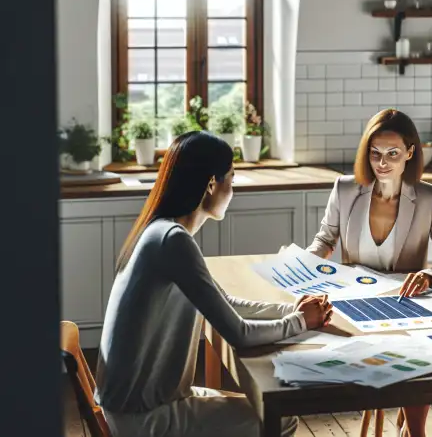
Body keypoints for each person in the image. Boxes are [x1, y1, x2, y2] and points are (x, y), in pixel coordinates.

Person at [95, 131, 332, 437]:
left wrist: (293, 309)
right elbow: (239, 334)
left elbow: (227, 304)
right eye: (231, 178)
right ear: (211, 184)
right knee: (282, 419)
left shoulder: (161, 231)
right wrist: (300, 322)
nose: (233, 189)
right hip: (145, 416)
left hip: (137, 403)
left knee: (266, 409)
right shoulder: (173, 240)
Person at [307, 108, 432, 437]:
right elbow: (324, 240)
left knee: (416, 344)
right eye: (375, 153)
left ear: (410, 152)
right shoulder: (345, 189)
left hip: (403, 303)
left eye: (393, 153)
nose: (382, 163)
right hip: (353, 302)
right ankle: (412, 428)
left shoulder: (429, 197)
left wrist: (430, 277)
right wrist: (303, 265)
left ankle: (414, 430)